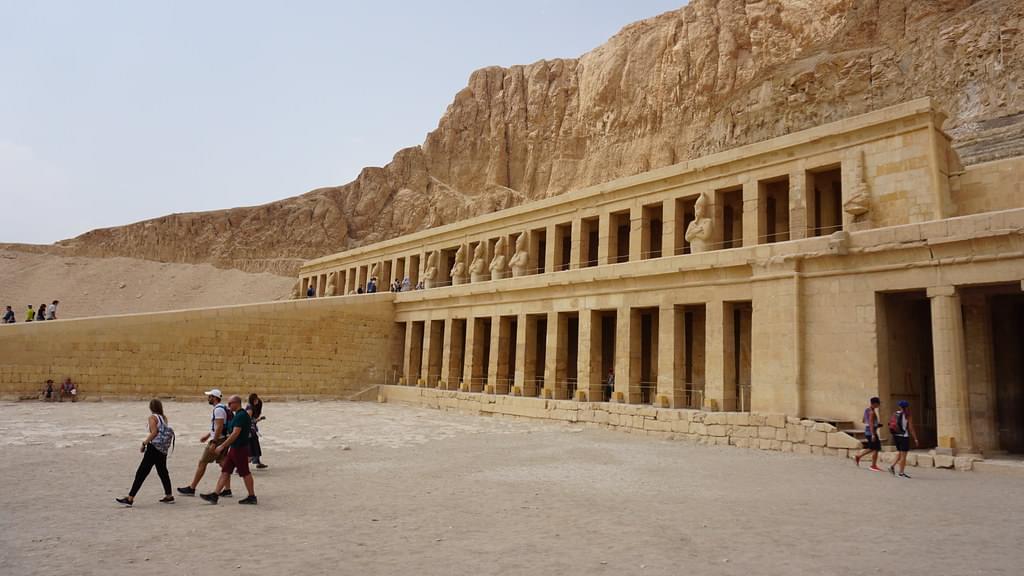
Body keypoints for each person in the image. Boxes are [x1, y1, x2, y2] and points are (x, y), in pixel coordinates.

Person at [116, 399, 175, 506]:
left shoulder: (152, 418)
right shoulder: (164, 418)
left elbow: (154, 432)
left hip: (153, 448)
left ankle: (130, 498)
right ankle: (169, 495)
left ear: (151, 407)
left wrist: (144, 443)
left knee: (141, 473)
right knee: (163, 472)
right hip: (163, 449)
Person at [201, 395, 257, 505]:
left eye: (230, 403)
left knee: (245, 472)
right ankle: (215, 495)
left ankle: (252, 496)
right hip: (235, 448)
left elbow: (235, 433)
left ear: (236, 403)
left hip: (239, 448)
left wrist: (222, 446)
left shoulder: (240, 416)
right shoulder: (238, 415)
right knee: (225, 471)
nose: (229, 405)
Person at [177, 389, 233, 497]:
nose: (208, 398)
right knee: (223, 464)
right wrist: (208, 435)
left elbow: (220, 427)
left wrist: (213, 441)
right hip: (221, 439)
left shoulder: (218, 410)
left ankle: (192, 488)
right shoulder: (222, 408)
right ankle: (227, 490)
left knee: (202, 462)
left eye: (210, 396)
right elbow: (218, 425)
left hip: (217, 440)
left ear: (215, 398)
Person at [888, 399, 918, 478]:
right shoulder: (908, 415)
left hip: (896, 436)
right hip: (904, 436)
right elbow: (910, 428)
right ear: (907, 407)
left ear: (899, 406)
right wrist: (915, 438)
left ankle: (892, 466)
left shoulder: (895, 413)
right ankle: (901, 473)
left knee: (900, 453)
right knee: (903, 456)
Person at [854, 397, 883, 471]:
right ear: (875, 404)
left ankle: (858, 456)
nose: (879, 405)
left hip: (867, 431)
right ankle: (873, 465)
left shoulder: (867, 410)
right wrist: (873, 434)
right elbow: (870, 423)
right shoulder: (872, 412)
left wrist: (876, 424)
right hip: (871, 432)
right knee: (876, 448)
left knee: (872, 448)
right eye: (878, 403)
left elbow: (864, 420)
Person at [246, 393, 268, 469]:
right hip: (250, 431)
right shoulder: (250, 408)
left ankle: (257, 461)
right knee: (251, 449)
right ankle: (241, 467)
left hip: (252, 430)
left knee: (255, 447)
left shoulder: (252, 407)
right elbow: (248, 421)